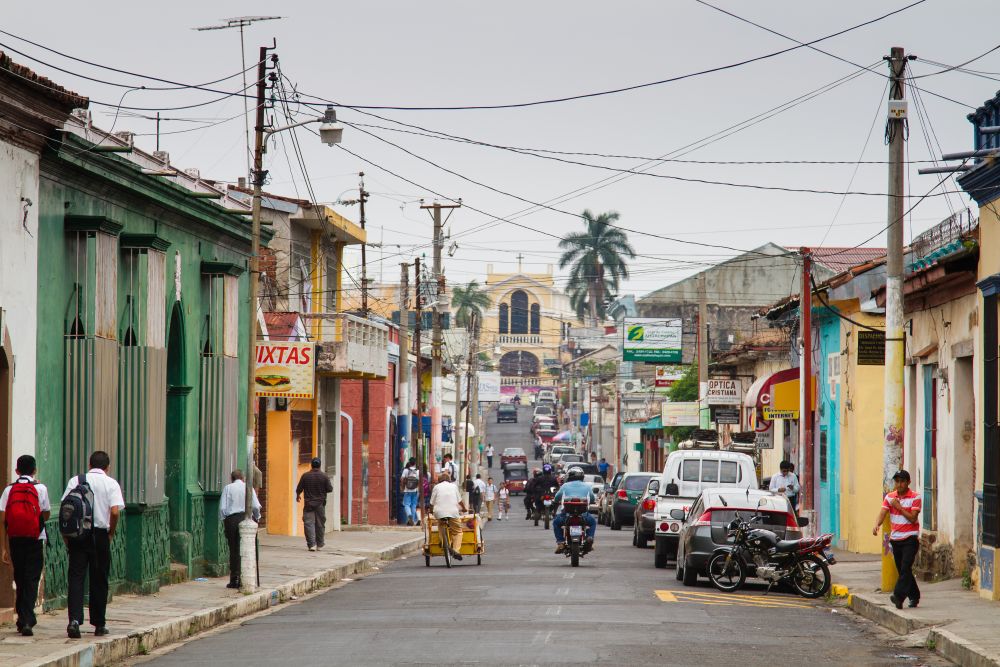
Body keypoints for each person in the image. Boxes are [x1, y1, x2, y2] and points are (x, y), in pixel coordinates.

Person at [61, 450, 125, 639]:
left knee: (76, 577)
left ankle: (74, 621)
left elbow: (66, 508)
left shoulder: (76, 481)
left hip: (78, 534)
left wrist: (67, 536)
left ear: (89, 465)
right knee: (99, 579)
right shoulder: (111, 483)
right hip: (99, 535)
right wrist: (111, 533)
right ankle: (99, 623)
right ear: (107, 467)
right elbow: (114, 512)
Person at [0, 455, 50, 636]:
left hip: (15, 539)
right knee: (32, 578)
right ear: (35, 470)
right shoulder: (41, 488)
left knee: (20, 577)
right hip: (35, 539)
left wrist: (3, 547)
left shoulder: (8, 490)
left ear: (17, 471)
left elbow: (3, 519)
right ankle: (27, 619)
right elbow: (46, 513)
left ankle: (22, 617)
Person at [873, 469, 922, 609]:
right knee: (903, 571)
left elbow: (913, 518)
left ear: (908, 483)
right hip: (896, 539)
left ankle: (898, 597)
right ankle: (914, 596)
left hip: (910, 539)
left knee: (906, 567)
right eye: (897, 481)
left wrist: (899, 508)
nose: (899, 484)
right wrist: (877, 524)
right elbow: (882, 512)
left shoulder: (915, 497)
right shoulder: (890, 497)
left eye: (902, 482)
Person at [219, 469, 261, 590]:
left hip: (232, 519)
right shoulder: (248, 487)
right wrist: (256, 517)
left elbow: (222, 508)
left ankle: (234, 578)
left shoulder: (228, 488)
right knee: (246, 549)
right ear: (242, 478)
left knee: (234, 549)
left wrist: (225, 520)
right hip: (246, 517)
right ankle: (246, 576)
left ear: (232, 478)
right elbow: (255, 506)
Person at [552, 466, 598, 553]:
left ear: (569, 476)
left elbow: (557, 497)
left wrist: (555, 501)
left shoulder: (565, 486)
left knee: (556, 522)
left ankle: (561, 542)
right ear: (582, 476)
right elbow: (592, 499)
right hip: (583, 516)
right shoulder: (587, 486)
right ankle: (589, 537)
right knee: (592, 522)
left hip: (566, 516)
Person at [295, 457, 333, 551]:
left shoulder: (305, 476)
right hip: (320, 504)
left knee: (308, 524)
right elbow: (330, 489)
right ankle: (320, 544)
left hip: (308, 504)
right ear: (320, 465)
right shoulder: (324, 476)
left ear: (311, 465)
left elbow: (299, 488)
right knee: (320, 524)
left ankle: (311, 544)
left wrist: (298, 495)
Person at [428, 470, 467, 560]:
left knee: (441, 525)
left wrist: (430, 510)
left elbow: (431, 503)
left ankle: (443, 542)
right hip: (453, 512)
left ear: (439, 480)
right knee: (457, 531)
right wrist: (464, 508)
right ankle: (456, 550)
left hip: (439, 512)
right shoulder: (453, 486)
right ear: (449, 480)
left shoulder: (436, 487)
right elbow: (460, 501)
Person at [400, 457, 420, 526]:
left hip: (407, 490)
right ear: (415, 463)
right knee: (413, 505)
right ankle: (413, 520)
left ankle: (409, 516)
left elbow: (402, 479)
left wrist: (402, 487)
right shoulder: (417, 471)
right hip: (415, 490)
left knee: (406, 504)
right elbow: (419, 481)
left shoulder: (406, 470)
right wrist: (418, 489)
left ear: (409, 462)